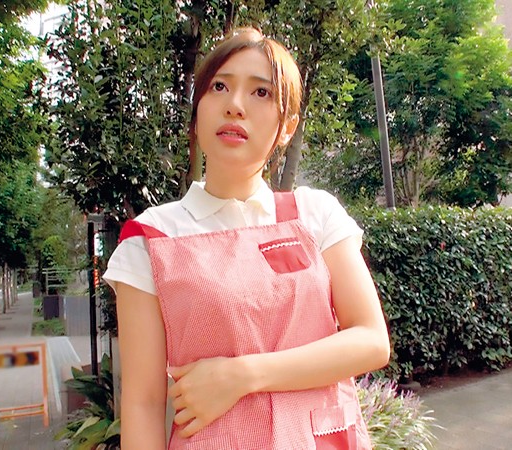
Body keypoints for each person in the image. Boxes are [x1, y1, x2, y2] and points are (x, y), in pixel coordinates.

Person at [103, 27, 390, 450]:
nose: (234, 105)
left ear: (287, 126)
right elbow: (143, 404)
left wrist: (242, 376)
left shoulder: (316, 215)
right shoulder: (151, 240)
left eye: (261, 92)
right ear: (198, 110)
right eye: (219, 86)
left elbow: (371, 340)